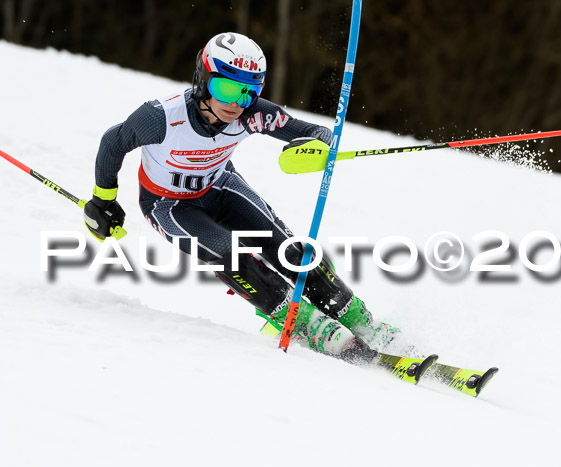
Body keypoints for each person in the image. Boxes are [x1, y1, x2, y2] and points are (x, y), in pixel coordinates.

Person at [83, 32, 401, 362]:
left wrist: (318, 146)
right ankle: (303, 322)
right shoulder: (160, 117)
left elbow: (313, 131)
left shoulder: (251, 113)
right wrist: (102, 199)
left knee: (289, 250)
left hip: (221, 187)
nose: (237, 103)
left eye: (249, 92)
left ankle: (358, 319)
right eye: (227, 89)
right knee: (229, 253)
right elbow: (112, 143)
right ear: (203, 80)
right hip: (169, 204)